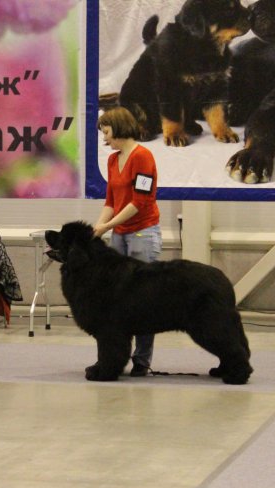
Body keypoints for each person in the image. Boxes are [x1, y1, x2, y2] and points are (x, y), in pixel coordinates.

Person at [94, 107, 163, 377]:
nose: (106, 139)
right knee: (118, 300)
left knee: (143, 298)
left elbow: (141, 201)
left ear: (120, 128)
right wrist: (99, 227)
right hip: (119, 234)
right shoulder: (112, 161)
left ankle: (142, 360)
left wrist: (108, 226)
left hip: (143, 233)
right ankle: (116, 356)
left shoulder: (143, 157)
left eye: (107, 132)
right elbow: (111, 201)